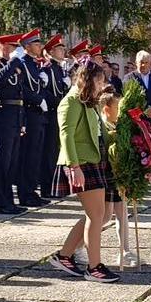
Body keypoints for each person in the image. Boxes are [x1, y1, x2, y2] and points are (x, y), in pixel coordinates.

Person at [48, 59, 120, 283]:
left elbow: (100, 132)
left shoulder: (90, 102)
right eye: (99, 80)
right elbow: (66, 136)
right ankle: (94, 267)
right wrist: (74, 167)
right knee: (96, 215)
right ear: (86, 80)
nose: (102, 84)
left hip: (96, 159)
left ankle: (65, 255)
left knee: (103, 214)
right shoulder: (70, 102)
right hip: (82, 162)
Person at [0, 32, 28, 215]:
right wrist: (12, 62)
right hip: (3, 116)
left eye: (14, 47)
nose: (12, 50)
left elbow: (20, 93)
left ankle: (9, 201)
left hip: (15, 116)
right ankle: (1, 203)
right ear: (0, 46)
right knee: (2, 162)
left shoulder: (15, 65)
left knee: (12, 162)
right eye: (9, 46)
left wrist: (23, 120)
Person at [99, 87, 137, 267]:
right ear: (106, 109)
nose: (121, 112)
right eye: (117, 108)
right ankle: (76, 247)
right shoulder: (103, 127)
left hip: (118, 175)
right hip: (107, 175)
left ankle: (125, 251)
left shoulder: (118, 126)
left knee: (122, 212)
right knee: (104, 216)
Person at [17, 29, 51, 207]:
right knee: (28, 156)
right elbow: (22, 88)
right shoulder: (22, 63)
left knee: (36, 156)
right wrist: (39, 99)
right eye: (36, 44)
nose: (40, 47)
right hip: (29, 114)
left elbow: (37, 87)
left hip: (39, 115)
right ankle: (26, 193)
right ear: (27, 46)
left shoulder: (34, 64)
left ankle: (31, 191)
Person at [41, 34, 71, 198]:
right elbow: (46, 93)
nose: (62, 51)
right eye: (59, 48)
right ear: (51, 51)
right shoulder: (47, 69)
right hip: (52, 114)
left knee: (58, 151)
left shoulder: (59, 69)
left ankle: (56, 186)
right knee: (50, 152)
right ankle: (48, 187)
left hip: (60, 114)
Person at [123, 51, 151, 130]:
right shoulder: (129, 78)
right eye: (141, 62)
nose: (144, 65)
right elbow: (128, 98)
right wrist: (144, 110)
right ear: (136, 63)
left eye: (146, 62)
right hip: (137, 119)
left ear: (150, 63)